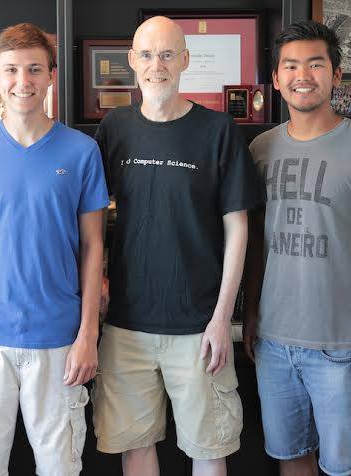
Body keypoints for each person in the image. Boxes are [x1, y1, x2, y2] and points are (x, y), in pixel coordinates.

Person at [92, 15, 265, 476]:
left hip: (198, 327)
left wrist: (221, 318)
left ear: (185, 60)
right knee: (136, 447)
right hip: (126, 325)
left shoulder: (218, 131)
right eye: (146, 55)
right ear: (132, 61)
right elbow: (89, 221)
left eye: (168, 54)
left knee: (208, 449)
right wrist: (100, 282)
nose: (157, 65)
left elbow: (239, 229)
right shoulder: (114, 129)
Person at [244, 20, 351, 476]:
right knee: (292, 460)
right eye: (291, 65)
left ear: (336, 75)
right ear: (276, 79)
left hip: (341, 346)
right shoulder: (261, 148)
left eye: (316, 64)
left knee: (348, 467)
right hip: (274, 342)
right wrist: (254, 314)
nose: (304, 75)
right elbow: (259, 241)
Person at [0, 23, 109, 476]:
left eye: (35, 69)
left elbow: (94, 247)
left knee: (60, 466)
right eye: (12, 69)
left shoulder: (81, 151)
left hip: (58, 336)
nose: (23, 80)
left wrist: (88, 334)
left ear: (51, 75)